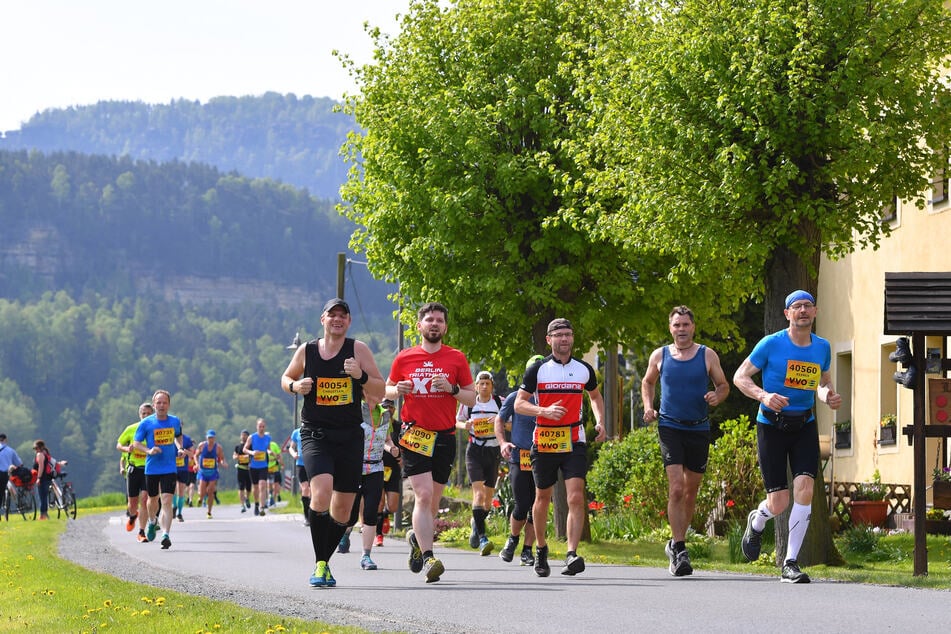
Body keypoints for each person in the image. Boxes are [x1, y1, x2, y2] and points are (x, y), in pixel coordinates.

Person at [733, 290, 842, 584]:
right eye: (797, 307)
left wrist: (827, 395)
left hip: (804, 424)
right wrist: (764, 395)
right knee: (779, 502)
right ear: (787, 314)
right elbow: (740, 377)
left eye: (808, 306)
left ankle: (790, 563)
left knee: (804, 488)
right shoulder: (771, 344)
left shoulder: (822, 347)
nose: (803, 310)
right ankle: (757, 521)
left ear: (815, 312)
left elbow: (823, 382)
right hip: (771, 426)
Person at [281, 298, 385, 588]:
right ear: (322, 320)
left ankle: (324, 561)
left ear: (348, 322)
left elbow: (380, 387)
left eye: (343, 315)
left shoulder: (358, 350)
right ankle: (319, 564)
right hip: (315, 433)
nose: (337, 319)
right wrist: (295, 386)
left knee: (343, 510)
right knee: (321, 491)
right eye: (332, 315)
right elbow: (286, 377)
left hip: (350, 435)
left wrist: (360, 376)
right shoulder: (308, 350)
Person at [386, 301, 475, 583]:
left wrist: (452, 389)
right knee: (423, 496)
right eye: (429, 320)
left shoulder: (456, 358)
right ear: (419, 326)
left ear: (445, 327)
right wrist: (395, 389)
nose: (434, 324)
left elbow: (472, 398)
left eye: (439, 320)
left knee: (432, 503)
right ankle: (429, 558)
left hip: (445, 436)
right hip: (414, 435)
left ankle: (416, 539)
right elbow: (385, 391)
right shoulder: (404, 358)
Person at [641, 305, 730, 577]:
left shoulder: (707, 355)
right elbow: (647, 382)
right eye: (677, 325)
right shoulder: (660, 355)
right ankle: (680, 548)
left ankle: (676, 542)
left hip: (698, 428)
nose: (681, 329)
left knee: (691, 490)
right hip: (669, 426)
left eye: (686, 325)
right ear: (670, 328)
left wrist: (718, 396)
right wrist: (648, 406)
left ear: (693, 327)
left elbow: (723, 385)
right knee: (677, 487)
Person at [515, 318, 606, 577]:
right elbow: (519, 404)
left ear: (573, 338)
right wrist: (543, 410)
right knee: (542, 497)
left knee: (576, 496)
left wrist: (600, 422)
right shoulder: (538, 370)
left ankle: (571, 553)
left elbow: (595, 396)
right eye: (558, 335)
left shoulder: (583, 369)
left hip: (574, 439)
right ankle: (541, 548)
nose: (564, 339)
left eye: (568, 334)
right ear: (549, 339)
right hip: (544, 440)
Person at [494, 354, 545, 566]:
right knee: (522, 503)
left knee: (537, 505)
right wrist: (502, 443)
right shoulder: (516, 397)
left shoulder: (550, 397)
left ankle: (527, 550)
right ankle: (513, 539)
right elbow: (499, 419)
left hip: (544, 456)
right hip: (519, 456)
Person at [348, 398, 398, 570]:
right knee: (351, 513)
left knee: (371, 511)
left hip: (376, 467)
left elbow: (387, 439)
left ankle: (366, 556)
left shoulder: (385, 415)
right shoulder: (355, 410)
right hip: (355, 466)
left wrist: (391, 448)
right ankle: (344, 534)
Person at [456, 369, 502, 556]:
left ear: (492, 386)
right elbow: (457, 422)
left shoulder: (500, 402)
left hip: (493, 450)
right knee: (479, 495)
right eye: (481, 384)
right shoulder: (469, 403)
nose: (484, 386)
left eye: (487, 383)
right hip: (474, 450)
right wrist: (464, 425)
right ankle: (483, 538)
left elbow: (509, 423)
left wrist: (498, 421)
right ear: (475, 386)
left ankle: (476, 524)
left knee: (488, 501)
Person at [132, 389, 184, 549]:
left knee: (167, 500)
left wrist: (180, 448)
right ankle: (152, 521)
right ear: (154, 405)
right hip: (152, 468)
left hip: (169, 467)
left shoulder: (174, 421)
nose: (161, 405)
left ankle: (165, 535)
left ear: (169, 405)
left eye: (165, 403)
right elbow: (136, 444)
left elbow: (178, 436)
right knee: (152, 500)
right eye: (159, 403)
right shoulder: (146, 423)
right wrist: (148, 451)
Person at [116, 402, 155, 541]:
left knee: (144, 500)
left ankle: (141, 532)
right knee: (132, 504)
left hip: (149, 469)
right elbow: (119, 444)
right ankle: (133, 516)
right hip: (133, 469)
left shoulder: (156, 429)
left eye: (149, 414)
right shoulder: (131, 429)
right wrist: (127, 449)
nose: (146, 416)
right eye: (143, 413)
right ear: (139, 415)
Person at [375, 399, 401, 546]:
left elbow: (405, 444)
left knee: (392, 506)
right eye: (385, 407)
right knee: (379, 502)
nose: (388, 409)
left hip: (393, 468)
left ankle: (385, 515)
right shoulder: (377, 423)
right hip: (378, 465)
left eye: (391, 407)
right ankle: (378, 535)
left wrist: (402, 458)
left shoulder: (399, 426)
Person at [194, 430, 227, 518]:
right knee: (202, 492)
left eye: (212, 438)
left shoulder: (218, 448)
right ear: (206, 438)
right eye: (209, 438)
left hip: (213, 472)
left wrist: (224, 463)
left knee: (210, 492)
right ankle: (200, 499)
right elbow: (195, 455)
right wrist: (197, 464)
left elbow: (222, 458)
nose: (210, 439)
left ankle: (209, 512)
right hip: (203, 472)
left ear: (214, 438)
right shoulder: (202, 445)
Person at [243, 418, 272, 516]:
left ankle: (262, 507)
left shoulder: (268, 438)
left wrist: (269, 452)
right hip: (253, 466)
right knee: (255, 488)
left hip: (263, 465)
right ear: (257, 427)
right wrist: (252, 452)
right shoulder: (252, 437)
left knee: (263, 484)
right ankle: (256, 504)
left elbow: (267, 449)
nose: (262, 428)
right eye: (260, 426)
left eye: (263, 426)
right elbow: (244, 449)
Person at [289, 425, 310, 526]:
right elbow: (291, 447)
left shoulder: (313, 430)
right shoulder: (296, 432)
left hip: (313, 464)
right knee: (305, 488)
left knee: (313, 491)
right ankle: (307, 517)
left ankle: (314, 514)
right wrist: (293, 454)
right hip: (301, 465)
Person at [172, 427, 195, 522]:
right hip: (171, 469)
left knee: (181, 491)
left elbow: (192, 454)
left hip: (183, 469)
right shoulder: (168, 438)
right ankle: (174, 506)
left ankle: (179, 513)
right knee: (172, 491)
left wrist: (184, 451)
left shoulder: (187, 439)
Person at [0, 433, 24, 511]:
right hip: (5, 474)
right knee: (1, 491)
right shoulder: (11, 450)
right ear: (6, 439)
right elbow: (19, 464)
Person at [33, 439, 55, 520]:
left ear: (39, 448)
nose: (35, 450)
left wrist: (38, 478)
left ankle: (43, 515)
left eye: (36, 448)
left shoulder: (40, 455)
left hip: (43, 478)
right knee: (44, 497)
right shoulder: (45, 453)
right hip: (47, 478)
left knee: (42, 497)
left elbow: (41, 467)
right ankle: (45, 514)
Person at [233, 429, 252, 512]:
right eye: (242, 435)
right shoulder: (238, 447)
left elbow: (254, 455)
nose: (243, 436)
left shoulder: (251, 446)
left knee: (248, 487)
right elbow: (234, 456)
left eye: (245, 435)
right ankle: (242, 505)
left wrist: (249, 458)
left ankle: (247, 498)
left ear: (248, 437)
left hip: (249, 469)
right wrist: (237, 457)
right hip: (240, 468)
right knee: (241, 487)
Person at [268, 437, 283, 507]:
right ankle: (270, 496)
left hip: (275, 467)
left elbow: (279, 455)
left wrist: (282, 464)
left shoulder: (274, 445)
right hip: (266, 467)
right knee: (269, 484)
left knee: (276, 484)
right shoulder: (262, 445)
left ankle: (273, 500)